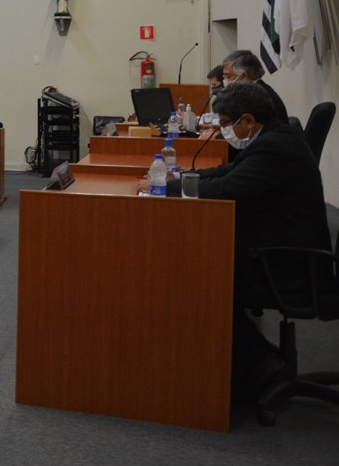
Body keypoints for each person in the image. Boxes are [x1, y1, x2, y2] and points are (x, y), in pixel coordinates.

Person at [138, 83, 329, 401]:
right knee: (203, 266)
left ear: (249, 120)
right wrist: (181, 177)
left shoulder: (274, 147)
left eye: (226, 123)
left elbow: (226, 189)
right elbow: (230, 171)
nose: (223, 130)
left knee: (200, 280)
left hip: (288, 262)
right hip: (287, 245)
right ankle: (256, 359)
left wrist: (164, 188)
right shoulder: (275, 137)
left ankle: (261, 361)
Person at [221, 49, 289, 124]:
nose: (225, 81)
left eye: (228, 77)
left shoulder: (257, 98)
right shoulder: (257, 90)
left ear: (244, 76)